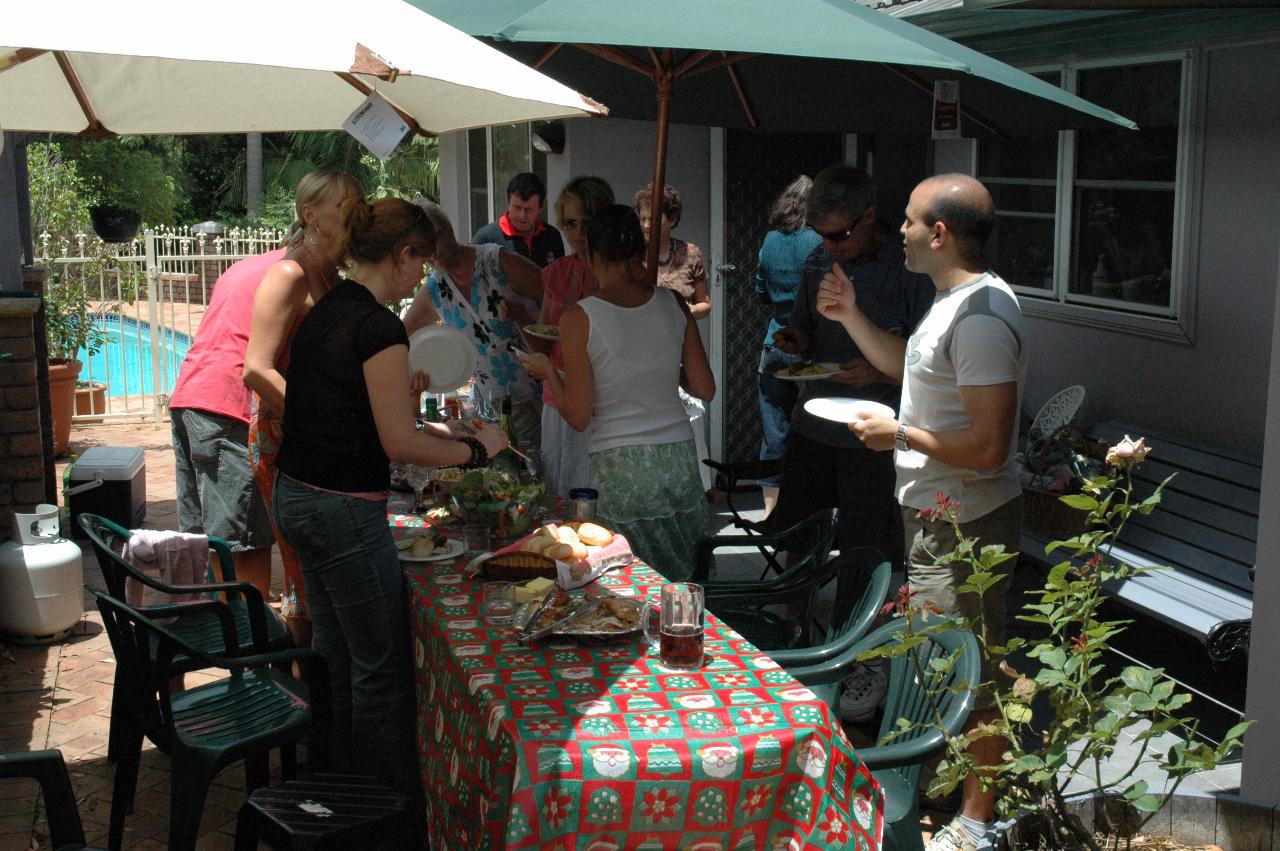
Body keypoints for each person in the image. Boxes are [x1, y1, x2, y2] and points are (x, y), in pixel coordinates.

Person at [270, 197, 508, 805]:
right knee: (381, 669)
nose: (423, 276)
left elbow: (354, 409)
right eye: (422, 261)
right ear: (403, 255)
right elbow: (397, 441)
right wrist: (480, 451)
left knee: (338, 654)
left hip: (297, 497)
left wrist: (443, 434)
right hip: (343, 509)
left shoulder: (330, 308)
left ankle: (338, 786)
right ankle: (384, 807)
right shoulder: (377, 324)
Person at [822, 174, 1026, 851]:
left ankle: (976, 823)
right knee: (936, 658)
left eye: (909, 221)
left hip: (965, 522)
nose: (899, 231)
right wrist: (851, 314)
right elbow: (913, 379)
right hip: (935, 516)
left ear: (939, 233)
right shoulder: (950, 304)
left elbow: (991, 447)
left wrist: (901, 436)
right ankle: (938, 790)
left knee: (972, 667)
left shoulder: (983, 319)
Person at [767, 164, 934, 723]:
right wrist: (796, 340)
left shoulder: (909, 269)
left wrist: (878, 371)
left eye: (840, 234)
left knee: (867, 546)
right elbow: (805, 333)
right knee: (797, 529)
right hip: (815, 421)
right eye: (822, 235)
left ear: (870, 218)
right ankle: (791, 637)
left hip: (875, 429)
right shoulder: (820, 259)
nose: (830, 246)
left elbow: (924, 358)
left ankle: (858, 654)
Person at [522, 205, 715, 575]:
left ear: (591, 254)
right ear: (638, 252)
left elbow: (578, 416)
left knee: (632, 581)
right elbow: (704, 388)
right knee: (685, 574)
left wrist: (548, 370)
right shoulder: (672, 302)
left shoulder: (578, 317)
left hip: (621, 465)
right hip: (677, 459)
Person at [242, 170, 364, 646]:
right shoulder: (290, 273)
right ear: (310, 214)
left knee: (319, 564)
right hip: (284, 436)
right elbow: (256, 369)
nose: (356, 214)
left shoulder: (331, 273)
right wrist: (321, 420)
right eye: (346, 206)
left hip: (317, 436)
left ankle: (320, 685)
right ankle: (305, 693)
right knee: (300, 570)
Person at [170, 249, 283, 598]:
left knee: (207, 539)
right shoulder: (293, 274)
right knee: (240, 543)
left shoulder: (248, 266)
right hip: (228, 407)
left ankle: (223, 633)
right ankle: (247, 644)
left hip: (190, 397)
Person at [402, 201, 544, 449]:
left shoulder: (496, 261)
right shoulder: (436, 289)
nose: (432, 252)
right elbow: (400, 335)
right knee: (500, 477)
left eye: (434, 239)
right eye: (423, 248)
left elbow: (555, 298)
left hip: (535, 392)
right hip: (488, 403)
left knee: (538, 469)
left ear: (448, 231)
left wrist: (523, 316)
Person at [532, 175, 616, 497]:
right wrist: (517, 324)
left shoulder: (624, 272)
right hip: (558, 394)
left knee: (597, 492)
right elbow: (542, 335)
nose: (578, 233)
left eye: (587, 222)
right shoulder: (557, 272)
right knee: (560, 485)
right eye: (569, 224)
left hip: (605, 398)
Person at [635, 183, 713, 490]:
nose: (645, 225)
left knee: (691, 423)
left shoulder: (690, 253)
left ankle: (696, 489)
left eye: (651, 218)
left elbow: (705, 304)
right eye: (641, 218)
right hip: (643, 352)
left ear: (672, 219)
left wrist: (682, 313)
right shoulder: (632, 255)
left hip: (681, 348)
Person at [754, 175, 822, 518]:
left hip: (775, 343)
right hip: (812, 348)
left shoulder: (769, 241)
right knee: (812, 430)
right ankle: (807, 509)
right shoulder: (819, 243)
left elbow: (761, 291)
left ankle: (770, 511)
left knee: (774, 429)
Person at [473, 171, 565, 268]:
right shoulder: (486, 239)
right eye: (517, 207)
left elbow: (561, 279)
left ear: (541, 207)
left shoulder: (552, 236)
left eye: (529, 209)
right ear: (507, 202)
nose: (522, 216)